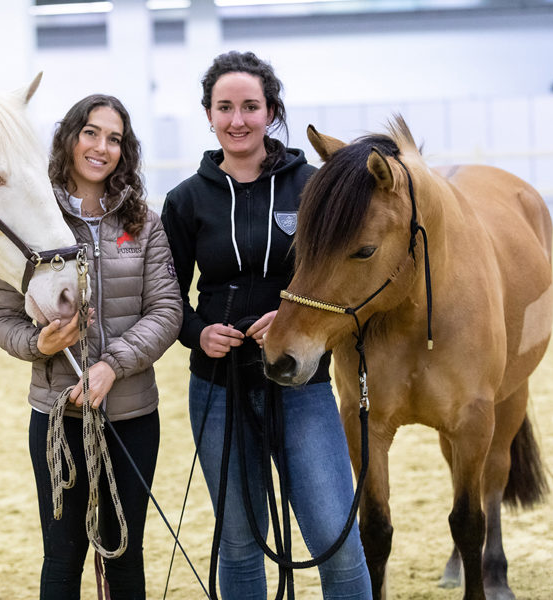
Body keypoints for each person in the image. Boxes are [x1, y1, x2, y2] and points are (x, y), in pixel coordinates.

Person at [161, 51, 373, 599]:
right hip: (217, 390)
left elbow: (340, 280)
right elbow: (168, 296)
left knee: (336, 538)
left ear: (271, 111)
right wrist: (197, 332)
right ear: (208, 114)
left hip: (301, 386)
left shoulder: (314, 188)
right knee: (237, 543)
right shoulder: (185, 200)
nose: (238, 119)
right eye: (225, 107)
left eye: (251, 106)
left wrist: (293, 314)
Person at [0, 94, 183, 599]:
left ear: (126, 149)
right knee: (63, 557)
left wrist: (112, 367)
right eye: (91, 133)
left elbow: (167, 311)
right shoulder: (34, 221)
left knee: (123, 553)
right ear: (70, 137)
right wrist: (39, 342)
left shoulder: (144, 222)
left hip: (132, 416)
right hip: (58, 418)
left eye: (114, 138)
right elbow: (2, 320)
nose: (102, 147)